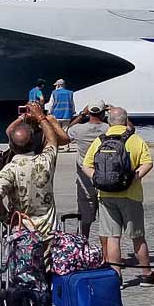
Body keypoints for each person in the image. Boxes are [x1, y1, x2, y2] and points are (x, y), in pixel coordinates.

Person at [82, 106, 154, 287]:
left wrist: (97, 179)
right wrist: (134, 178)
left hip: (105, 194)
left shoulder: (99, 140)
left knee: (112, 237)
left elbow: (86, 165)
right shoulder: (135, 140)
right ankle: (146, 275)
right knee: (137, 237)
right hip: (130, 195)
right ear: (126, 121)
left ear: (108, 121)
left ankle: (116, 277)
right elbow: (147, 162)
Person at [0, 101, 67, 240]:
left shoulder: (10, 169)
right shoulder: (46, 162)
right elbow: (53, 141)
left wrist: (5, 217)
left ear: (11, 145)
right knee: (46, 260)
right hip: (47, 229)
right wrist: (41, 116)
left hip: (21, 230)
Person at [66, 101, 109, 240]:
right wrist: (114, 111)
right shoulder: (109, 129)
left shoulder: (79, 130)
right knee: (106, 219)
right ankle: (106, 251)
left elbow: (67, 131)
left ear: (89, 113)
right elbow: (129, 129)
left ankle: (83, 244)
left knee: (85, 217)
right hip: (106, 176)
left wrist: (81, 114)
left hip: (85, 177)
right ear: (103, 113)